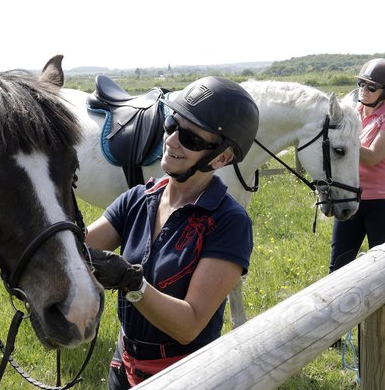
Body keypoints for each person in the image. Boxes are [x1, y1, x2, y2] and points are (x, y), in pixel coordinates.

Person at [85, 76, 258, 388]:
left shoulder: (229, 222)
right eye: (171, 125)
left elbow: (189, 325)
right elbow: (77, 247)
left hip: (185, 377)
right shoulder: (138, 198)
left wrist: (131, 282)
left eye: (190, 139)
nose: (172, 140)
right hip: (124, 366)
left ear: (221, 157)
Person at [330, 58, 385, 273]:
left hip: (384, 204)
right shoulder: (351, 114)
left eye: (371, 87)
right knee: (337, 267)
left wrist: (343, 141)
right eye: (361, 84)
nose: (364, 90)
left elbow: (373, 156)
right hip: (350, 197)